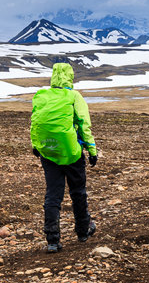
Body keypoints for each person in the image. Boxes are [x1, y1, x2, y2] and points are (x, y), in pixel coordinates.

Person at [30, 63, 98, 254]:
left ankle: (52, 239)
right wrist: (92, 151)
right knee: (78, 192)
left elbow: (34, 123)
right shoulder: (74, 96)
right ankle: (83, 231)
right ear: (70, 77)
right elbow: (84, 125)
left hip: (48, 151)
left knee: (53, 194)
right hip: (71, 152)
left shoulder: (41, 95)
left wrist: (36, 146)